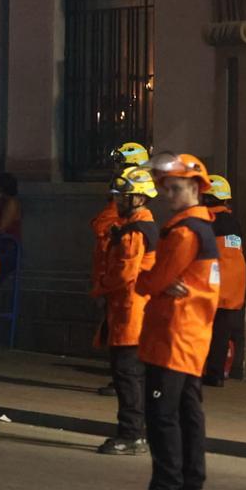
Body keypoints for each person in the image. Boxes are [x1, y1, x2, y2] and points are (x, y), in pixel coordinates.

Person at [119, 153, 220, 490]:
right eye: (165, 188)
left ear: (194, 188)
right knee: (190, 415)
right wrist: (164, 283)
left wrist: (153, 283)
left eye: (174, 188)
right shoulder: (203, 228)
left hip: (172, 337)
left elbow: (151, 280)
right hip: (192, 337)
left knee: (162, 418)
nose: (167, 195)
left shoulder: (183, 232)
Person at [91, 166, 158, 456]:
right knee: (133, 377)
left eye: (123, 196)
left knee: (127, 376)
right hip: (132, 311)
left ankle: (131, 434)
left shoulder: (134, 231)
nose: (117, 201)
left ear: (138, 198)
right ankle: (137, 431)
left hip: (130, 312)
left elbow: (124, 273)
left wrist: (100, 286)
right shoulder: (138, 225)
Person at [201, 175, 245, 387]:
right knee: (223, 332)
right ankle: (217, 374)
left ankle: (206, 372)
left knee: (207, 331)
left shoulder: (208, 221)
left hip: (214, 284)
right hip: (235, 286)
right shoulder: (233, 222)